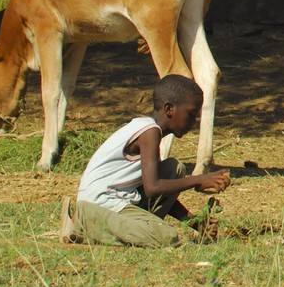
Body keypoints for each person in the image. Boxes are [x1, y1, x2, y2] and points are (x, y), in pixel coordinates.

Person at [60, 73, 231, 246]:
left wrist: (194, 222)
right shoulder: (149, 132)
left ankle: (115, 227)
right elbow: (153, 188)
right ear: (169, 109)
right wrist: (198, 180)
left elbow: (153, 190)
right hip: (98, 205)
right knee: (167, 236)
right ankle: (82, 226)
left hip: (119, 202)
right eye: (192, 113)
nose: (194, 121)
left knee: (175, 169)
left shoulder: (149, 130)